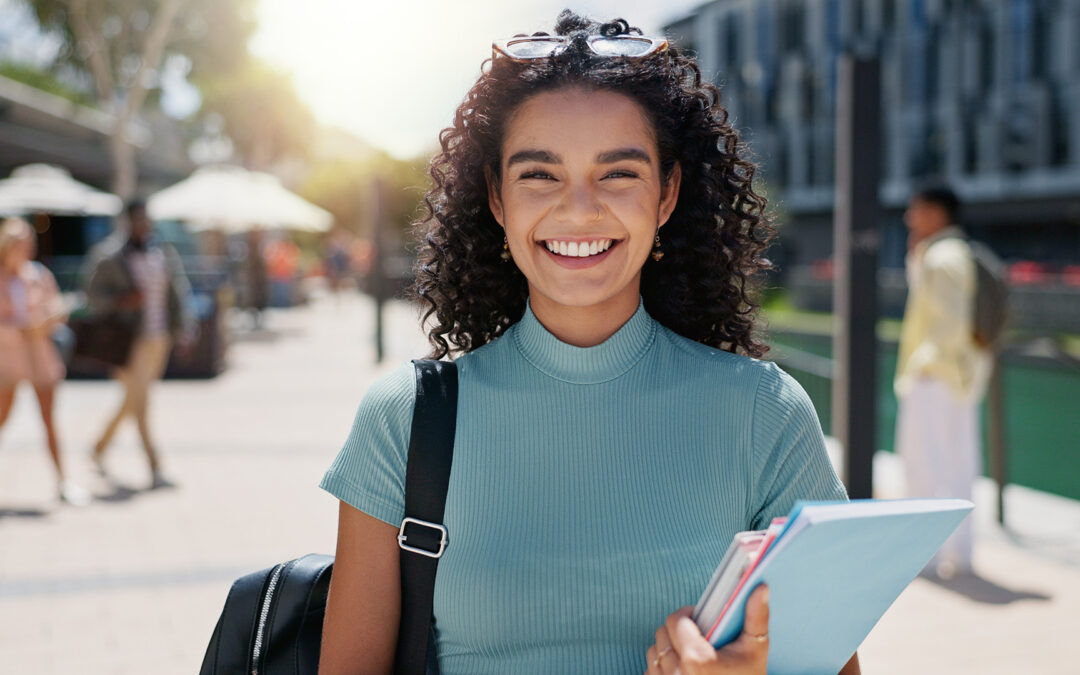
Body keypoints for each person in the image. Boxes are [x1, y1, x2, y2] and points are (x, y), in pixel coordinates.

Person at [319, 12, 860, 675]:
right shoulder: (403, 418)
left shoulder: (766, 413)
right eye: (540, 175)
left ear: (667, 194)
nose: (579, 209)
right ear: (496, 197)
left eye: (619, 173)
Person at [895, 185, 991, 578]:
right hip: (958, 377)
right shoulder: (956, 252)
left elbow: (948, 320)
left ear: (935, 212)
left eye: (915, 209)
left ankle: (928, 556)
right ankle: (960, 555)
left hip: (937, 376)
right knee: (959, 465)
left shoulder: (942, 257)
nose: (908, 218)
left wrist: (927, 364)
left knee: (924, 465)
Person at [84, 200, 193, 489]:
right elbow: (92, 296)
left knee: (133, 399)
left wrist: (183, 329)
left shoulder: (162, 253)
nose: (144, 224)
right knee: (141, 402)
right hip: (129, 340)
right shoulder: (110, 257)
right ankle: (155, 467)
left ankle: (98, 448)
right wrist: (121, 301)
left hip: (159, 338)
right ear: (129, 222)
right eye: (139, 219)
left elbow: (177, 292)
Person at [0, 217, 90, 506]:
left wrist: (49, 319)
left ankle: (63, 480)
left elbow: (54, 308)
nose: (26, 248)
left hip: (39, 357)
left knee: (49, 421)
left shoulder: (39, 274)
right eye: (20, 243)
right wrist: (22, 328)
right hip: (9, 359)